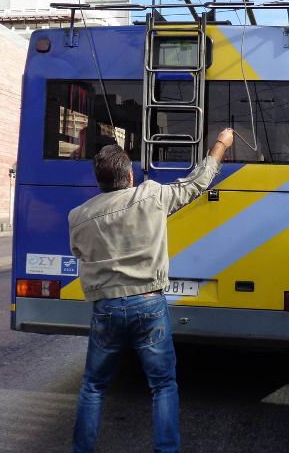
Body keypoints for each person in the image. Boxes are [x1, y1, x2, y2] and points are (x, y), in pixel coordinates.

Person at [69, 127, 234, 453]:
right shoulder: (151, 196)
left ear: (98, 179)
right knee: (162, 385)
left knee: (93, 386)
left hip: (107, 308)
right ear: (129, 175)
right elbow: (196, 183)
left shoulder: (78, 216)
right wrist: (220, 144)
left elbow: (80, 254)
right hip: (148, 305)